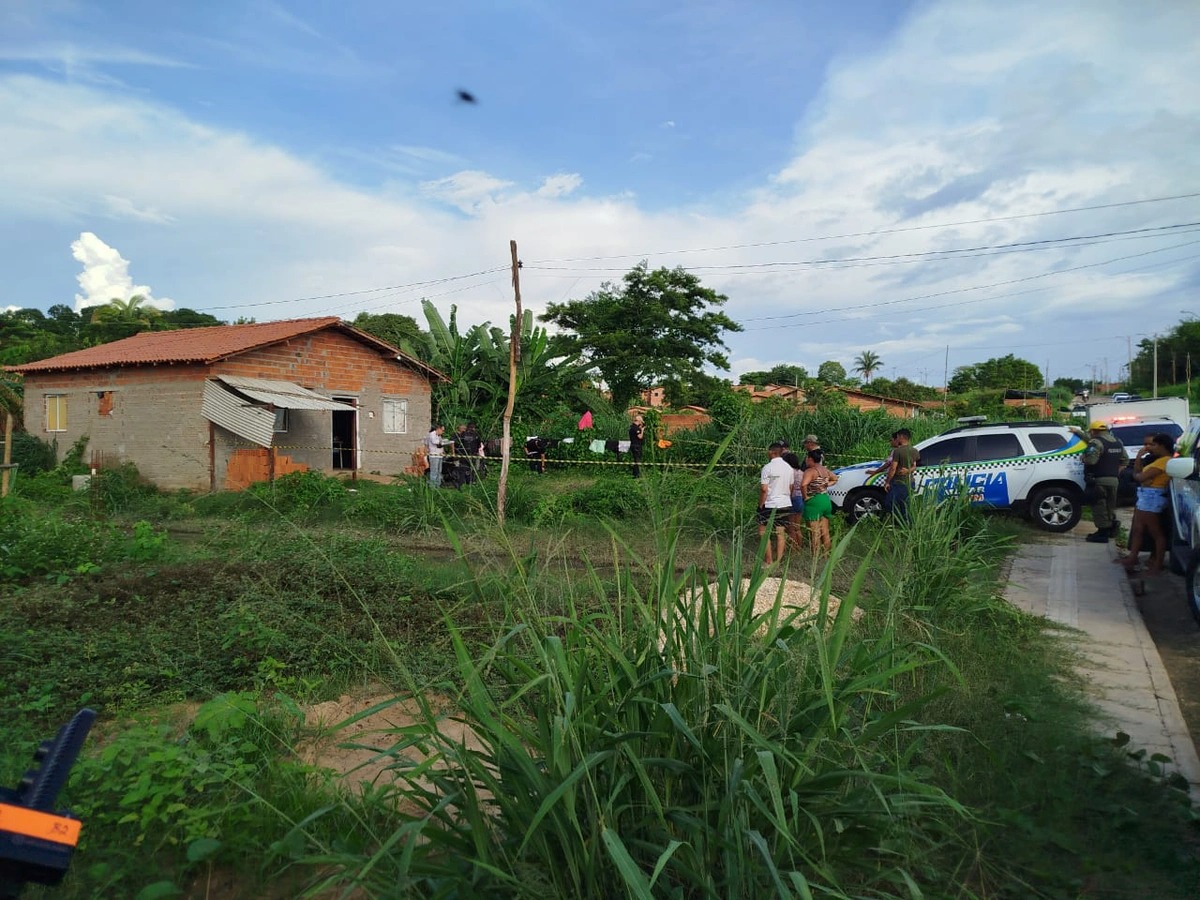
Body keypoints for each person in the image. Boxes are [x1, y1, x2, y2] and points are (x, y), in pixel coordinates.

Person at [1117, 432, 1174, 576]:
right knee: (1138, 529)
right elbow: (1139, 474)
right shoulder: (1157, 460)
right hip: (1146, 495)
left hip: (1152, 497)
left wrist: (1140, 477)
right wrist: (1138, 458)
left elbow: (1140, 476)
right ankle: (1133, 557)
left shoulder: (1165, 461)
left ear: (1162, 446)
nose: (1150, 448)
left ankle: (1157, 564)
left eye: (1153, 445)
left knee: (1156, 532)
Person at [1075, 420, 1124, 542]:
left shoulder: (1095, 442)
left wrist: (1083, 458)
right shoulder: (1117, 442)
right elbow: (1125, 461)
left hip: (1099, 480)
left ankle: (1102, 534)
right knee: (1110, 506)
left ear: (1093, 431)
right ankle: (1111, 528)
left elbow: (1091, 460)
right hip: (1114, 480)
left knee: (1099, 506)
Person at [758, 441, 793, 564]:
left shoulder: (767, 467)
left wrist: (760, 504)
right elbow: (791, 487)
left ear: (772, 452)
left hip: (770, 503)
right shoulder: (788, 468)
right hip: (784, 502)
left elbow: (764, 489)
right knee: (780, 532)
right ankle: (778, 561)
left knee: (763, 532)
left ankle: (768, 561)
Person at [800, 448, 838, 554]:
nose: (806, 460)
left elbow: (803, 485)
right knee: (825, 531)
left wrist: (806, 496)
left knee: (814, 532)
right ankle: (826, 554)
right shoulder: (825, 470)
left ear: (811, 459)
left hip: (814, 501)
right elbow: (835, 478)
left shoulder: (810, 471)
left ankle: (815, 557)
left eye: (807, 458)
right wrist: (826, 485)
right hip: (825, 499)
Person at [884, 429, 919, 519]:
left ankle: (896, 520)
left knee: (889, 503)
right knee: (906, 505)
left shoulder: (898, 451)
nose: (897, 438)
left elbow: (893, 468)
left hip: (898, 482)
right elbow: (914, 466)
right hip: (910, 482)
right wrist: (908, 471)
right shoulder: (914, 450)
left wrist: (887, 482)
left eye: (898, 436)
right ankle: (908, 524)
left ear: (902, 437)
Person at [782, 451, 806, 551]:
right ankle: (799, 546)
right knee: (797, 527)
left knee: (791, 527)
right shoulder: (802, 473)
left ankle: (794, 549)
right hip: (801, 499)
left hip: (792, 499)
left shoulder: (789, 472)